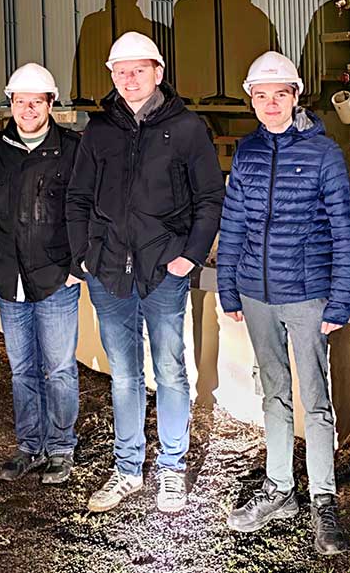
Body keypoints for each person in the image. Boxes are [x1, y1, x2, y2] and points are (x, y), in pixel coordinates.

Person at [66, 31, 225, 514]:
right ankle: (128, 469)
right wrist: (84, 258)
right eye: (120, 71)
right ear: (112, 76)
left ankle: (172, 469)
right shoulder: (100, 131)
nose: (129, 79)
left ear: (158, 72)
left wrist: (189, 256)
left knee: (172, 373)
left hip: (164, 271)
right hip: (109, 272)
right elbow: (77, 198)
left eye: (138, 70)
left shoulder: (188, 128)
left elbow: (210, 198)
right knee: (124, 377)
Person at [216, 51, 350, 555]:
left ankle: (323, 499)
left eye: (280, 94)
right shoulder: (248, 152)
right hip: (256, 294)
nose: (270, 104)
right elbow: (232, 224)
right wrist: (227, 287)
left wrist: (340, 300)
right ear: (251, 100)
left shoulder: (323, 153)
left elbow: (344, 230)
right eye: (261, 95)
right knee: (272, 394)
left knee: (315, 403)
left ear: (295, 97)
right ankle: (280, 490)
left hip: (307, 296)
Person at [0, 63, 83, 485]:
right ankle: (30, 446)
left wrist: (75, 268)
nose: (27, 108)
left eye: (36, 101)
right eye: (19, 101)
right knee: (22, 369)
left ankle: (61, 447)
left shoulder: (71, 149)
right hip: (7, 277)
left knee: (60, 368)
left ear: (51, 104)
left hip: (55, 279)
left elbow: (84, 211)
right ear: (10, 104)